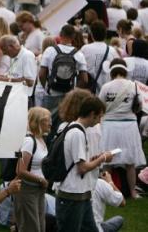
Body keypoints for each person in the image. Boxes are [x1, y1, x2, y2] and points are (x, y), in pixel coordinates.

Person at [55, 96, 113, 231]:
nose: (99, 122)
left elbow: (78, 163)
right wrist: (102, 158)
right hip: (72, 195)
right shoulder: (77, 133)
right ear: (92, 114)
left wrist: (94, 161)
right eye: (99, 117)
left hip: (81, 194)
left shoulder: (77, 129)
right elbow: (81, 168)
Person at [98, 59, 146, 199]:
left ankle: (108, 193)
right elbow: (139, 106)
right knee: (130, 161)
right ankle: (133, 192)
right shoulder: (134, 86)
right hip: (128, 125)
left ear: (111, 71)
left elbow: (100, 106)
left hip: (110, 125)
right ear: (125, 71)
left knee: (108, 160)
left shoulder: (106, 87)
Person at [14, 107, 51, 232]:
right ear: (38, 122)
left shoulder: (40, 140)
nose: (50, 123)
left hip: (38, 189)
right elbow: (20, 170)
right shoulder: (29, 141)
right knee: (31, 227)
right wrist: (40, 179)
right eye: (47, 120)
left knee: (40, 226)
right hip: (27, 190)